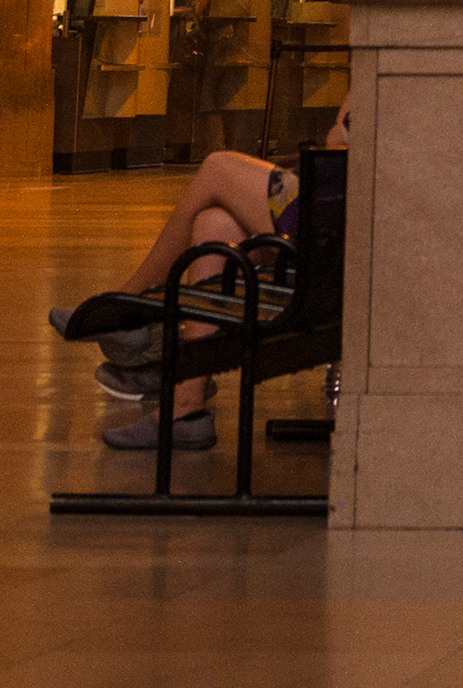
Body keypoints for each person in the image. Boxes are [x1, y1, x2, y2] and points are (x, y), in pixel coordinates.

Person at [49, 108, 346, 451]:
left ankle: (127, 310)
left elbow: (340, 141)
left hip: (336, 234)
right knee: (213, 224)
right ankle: (185, 407)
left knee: (218, 166)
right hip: (336, 227)